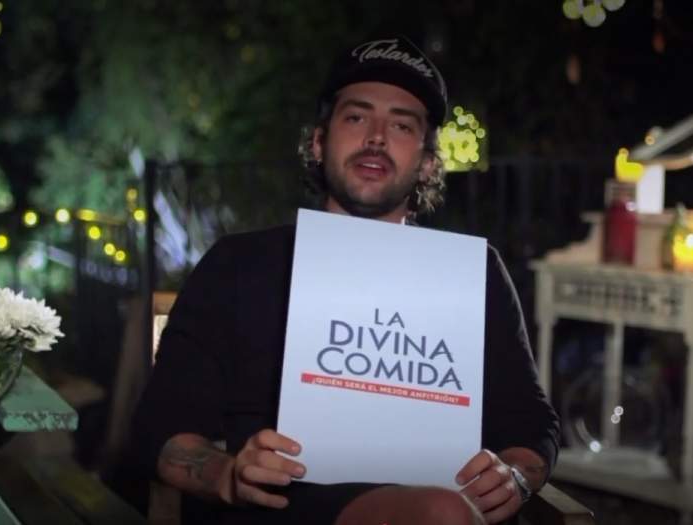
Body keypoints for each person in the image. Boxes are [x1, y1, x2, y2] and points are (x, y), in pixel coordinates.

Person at [131, 35, 560, 525]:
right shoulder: (238, 265)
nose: (376, 137)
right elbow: (160, 430)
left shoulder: (474, 274)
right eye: (356, 118)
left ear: (427, 163)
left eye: (402, 125)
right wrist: (227, 475)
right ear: (318, 142)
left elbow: (530, 421)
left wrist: (516, 475)